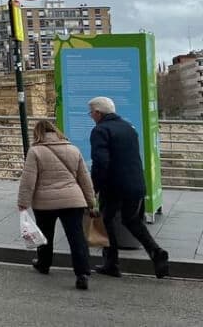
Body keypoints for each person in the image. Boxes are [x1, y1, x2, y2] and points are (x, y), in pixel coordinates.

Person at [88, 96, 170, 279]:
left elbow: (101, 162)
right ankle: (156, 252)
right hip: (136, 184)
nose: (91, 116)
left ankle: (112, 263)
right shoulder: (128, 127)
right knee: (132, 220)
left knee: (106, 221)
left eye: (91, 113)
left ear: (98, 113)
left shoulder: (100, 130)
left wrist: (94, 187)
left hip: (114, 186)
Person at [17, 120, 95, 290]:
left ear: (37, 133)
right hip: (73, 200)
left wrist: (23, 203)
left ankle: (44, 264)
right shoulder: (73, 149)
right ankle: (82, 273)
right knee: (77, 238)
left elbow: (28, 180)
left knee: (45, 236)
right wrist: (91, 202)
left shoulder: (35, 151)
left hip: (45, 202)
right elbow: (84, 179)